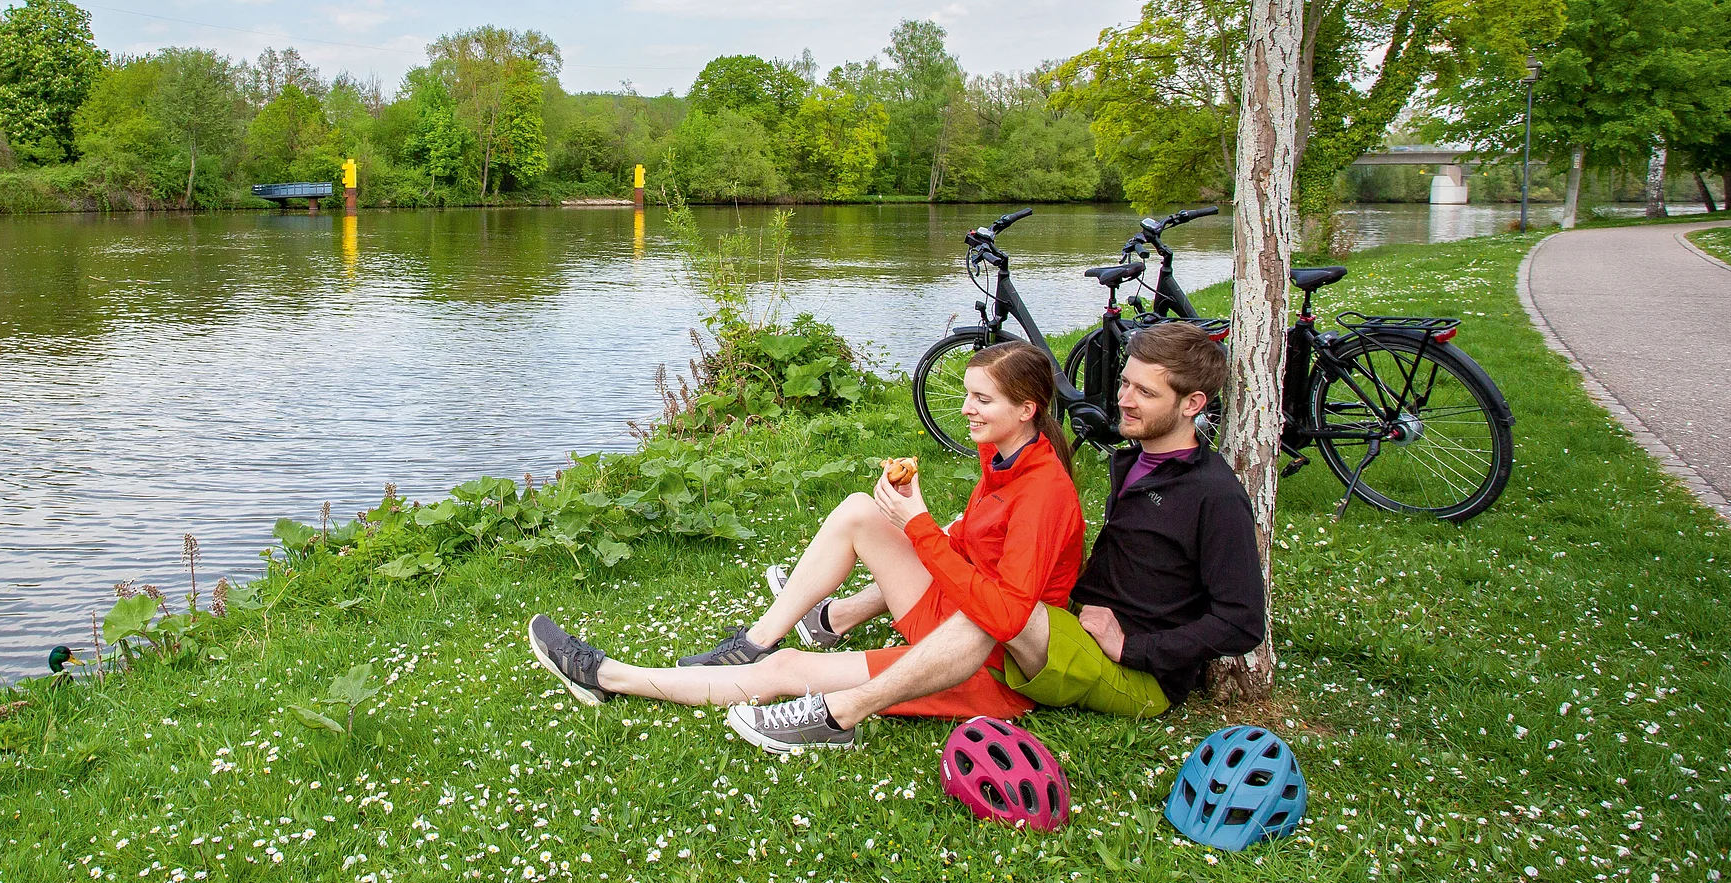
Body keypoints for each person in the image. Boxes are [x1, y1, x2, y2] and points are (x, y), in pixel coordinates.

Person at [726, 321, 1267, 751]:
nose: (1123, 399)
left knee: (998, 609)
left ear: (1192, 404)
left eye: (1144, 391)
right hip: (1071, 630)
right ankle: (826, 621)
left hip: (1137, 675)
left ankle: (840, 708)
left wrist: (1136, 645)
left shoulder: (1213, 495)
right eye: (1125, 381)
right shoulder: (1135, 461)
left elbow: (1242, 622)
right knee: (979, 570)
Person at [526, 340, 1088, 747]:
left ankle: (605, 677)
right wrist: (914, 521)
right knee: (859, 512)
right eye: (967, 395)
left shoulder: (1044, 492)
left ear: (1026, 409)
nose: (965, 409)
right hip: (955, 614)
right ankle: (756, 639)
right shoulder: (1004, 454)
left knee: (788, 673)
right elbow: (971, 540)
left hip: (979, 664)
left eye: (981, 400)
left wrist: (917, 525)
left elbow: (1009, 617)